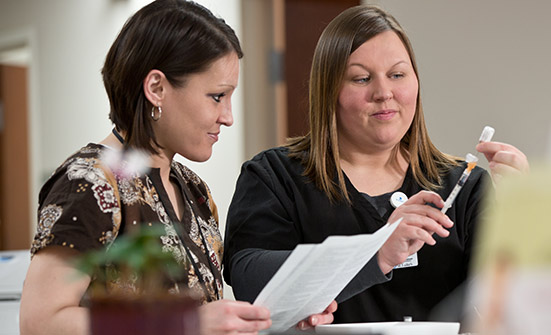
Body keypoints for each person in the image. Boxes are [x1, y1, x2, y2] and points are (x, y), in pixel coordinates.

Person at [18, 1, 334, 334]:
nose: (227, 117)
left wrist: (278, 317)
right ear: (157, 88)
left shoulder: (193, 189)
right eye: (216, 96)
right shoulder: (89, 182)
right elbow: (40, 321)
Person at [223, 4, 530, 324]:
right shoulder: (274, 177)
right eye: (361, 78)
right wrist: (375, 252)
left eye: (397, 75)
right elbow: (250, 283)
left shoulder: (465, 186)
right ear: (329, 91)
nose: (384, 93)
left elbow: (513, 306)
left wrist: (525, 219)